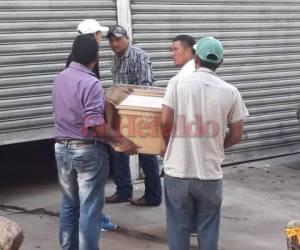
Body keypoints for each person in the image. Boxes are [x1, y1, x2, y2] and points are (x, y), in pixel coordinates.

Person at [160, 36, 249, 250]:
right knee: (208, 231)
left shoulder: (177, 83)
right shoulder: (230, 92)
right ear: (220, 63)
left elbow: (164, 122)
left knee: (178, 230)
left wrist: (169, 146)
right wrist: (217, 145)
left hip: (178, 173)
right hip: (210, 175)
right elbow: (237, 134)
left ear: (196, 59)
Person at [52, 34, 137, 250]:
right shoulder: (91, 83)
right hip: (86, 151)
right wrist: (122, 140)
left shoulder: (60, 77)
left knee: (69, 205)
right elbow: (95, 126)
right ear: (96, 58)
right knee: (90, 209)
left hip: (62, 148)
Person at [66, 19, 117, 232]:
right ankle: (97, 219)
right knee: (92, 183)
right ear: (91, 36)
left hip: (70, 136)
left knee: (78, 186)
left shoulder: (73, 61)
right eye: (99, 35)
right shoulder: (86, 65)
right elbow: (89, 104)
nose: (101, 39)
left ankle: (87, 219)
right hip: (85, 137)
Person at [105, 25, 162, 206]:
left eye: (118, 39)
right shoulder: (116, 60)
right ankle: (123, 191)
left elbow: (146, 87)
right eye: (111, 40)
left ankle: (153, 196)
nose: (114, 43)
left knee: (146, 155)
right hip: (122, 113)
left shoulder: (139, 56)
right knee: (119, 152)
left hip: (140, 113)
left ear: (127, 38)